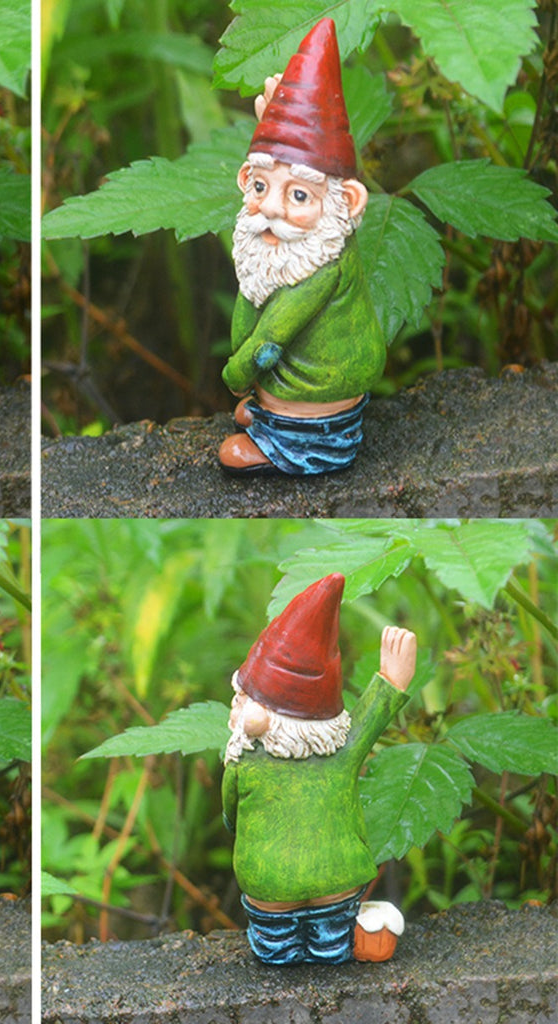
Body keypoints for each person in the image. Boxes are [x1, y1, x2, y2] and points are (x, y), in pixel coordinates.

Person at [219, 18, 386, 476]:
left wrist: (237, 376)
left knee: (253, 427)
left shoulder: (320, 265)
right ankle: (269, 412)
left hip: (319, 383)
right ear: (245, 179)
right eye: (260, 186)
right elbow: (254, 292)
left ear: (346, 201)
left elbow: (272, 336)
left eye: (298, 195)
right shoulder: (279, 247)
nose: (271, 209)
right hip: (287, 380)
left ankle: (293, 445)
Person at [221, 573, 416, 964]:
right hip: (335, 881)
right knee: (332, 942)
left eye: (243, 698)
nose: (240, 708)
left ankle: (278, 950)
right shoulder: (341, 753)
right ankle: (330, 948)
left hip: (268, 885)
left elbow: (231, 817)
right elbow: (370, 720)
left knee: (275, 944)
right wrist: (393, 678)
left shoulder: (244, 761)